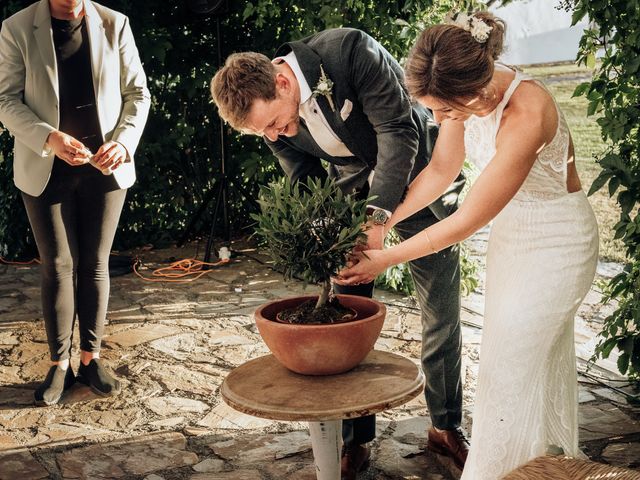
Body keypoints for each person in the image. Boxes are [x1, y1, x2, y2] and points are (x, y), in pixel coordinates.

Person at [338, 12, 599, 479]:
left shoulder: (528, 110)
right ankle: (537, 468)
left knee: (508, 370)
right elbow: (440, 171)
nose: (437, 120)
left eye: (445, 111)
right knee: (512, 359)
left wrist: (387, 258)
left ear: (477, 91)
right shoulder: (462, 94)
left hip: (559, 242)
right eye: (433, 110)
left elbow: (468, 218)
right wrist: (381, 222)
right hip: (512, 241)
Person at [211, 29, 469, 479]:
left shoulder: (350, 52)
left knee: (440, 312)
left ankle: (445, 426)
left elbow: (397, 130)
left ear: (284, 82)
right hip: (350, 202)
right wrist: (326, 233)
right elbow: (303, 176)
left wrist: (378, 221)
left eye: (272, 123)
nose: (273, 135)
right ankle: (355, 441)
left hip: (420, 183)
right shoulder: (270, 115)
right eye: (262, 132)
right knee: (344, 320)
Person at [0, 0, 150, 406]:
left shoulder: (115, 24)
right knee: (59, 265)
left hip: (105, 166)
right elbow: (6, 100)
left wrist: (122, 142)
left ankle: (91, 359)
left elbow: (138, 93)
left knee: (95, 263)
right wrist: (49, 137)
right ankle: (58, 365)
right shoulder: (16, 28)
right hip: (46, 164)